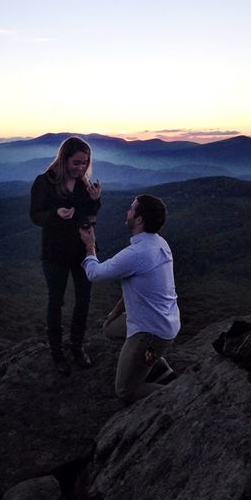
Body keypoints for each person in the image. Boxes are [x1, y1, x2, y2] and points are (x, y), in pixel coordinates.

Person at [79, 194, 180, 403]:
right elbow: (140, 287)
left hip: (150, 331)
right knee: (109, 328)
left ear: (140, 219)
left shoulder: (137, 253)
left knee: (126, 391)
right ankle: (154, 363)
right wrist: (115, 312)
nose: (128, 211)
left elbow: (95, 274)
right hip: (165, 323)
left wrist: (90, 245)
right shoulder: (160, 243)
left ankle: (180, 393)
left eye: (132, 209)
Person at [30, 136, 102, 373]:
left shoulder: (83, 183)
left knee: (83, 300)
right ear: (64, 159)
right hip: (56, 251)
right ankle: (57, 351)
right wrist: (55, 214)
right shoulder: (45, 182)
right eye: (76, 163)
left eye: (85, 163)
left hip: (82, 249)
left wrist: (95, 200)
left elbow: (89, 214)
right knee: (56, 301)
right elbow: (35, 215)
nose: (81, 168)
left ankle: (77, 346)